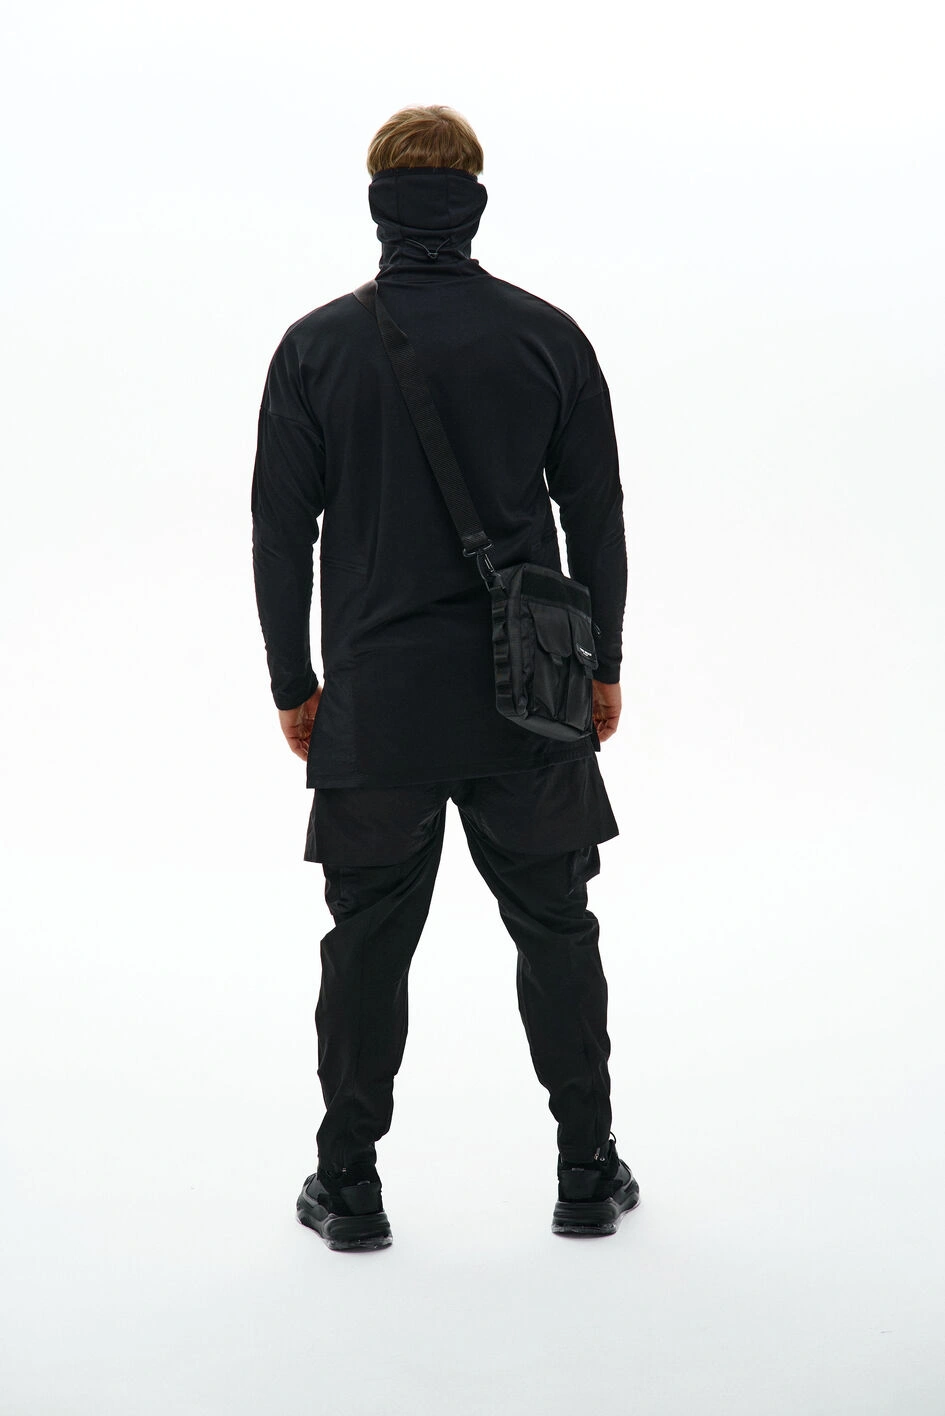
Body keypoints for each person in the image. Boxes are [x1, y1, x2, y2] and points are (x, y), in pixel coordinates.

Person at [251, 105, 640, 1251]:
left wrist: (293, 681)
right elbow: (598, 515)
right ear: (473, 197)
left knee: (367, 940)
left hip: (377, 700)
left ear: (379, 201)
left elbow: (281, 532)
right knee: (557, 926)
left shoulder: (316, 348)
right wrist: (605, 664)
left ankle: (349, 1185)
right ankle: (585, 1171)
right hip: (534, 696)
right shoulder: (549, 338)